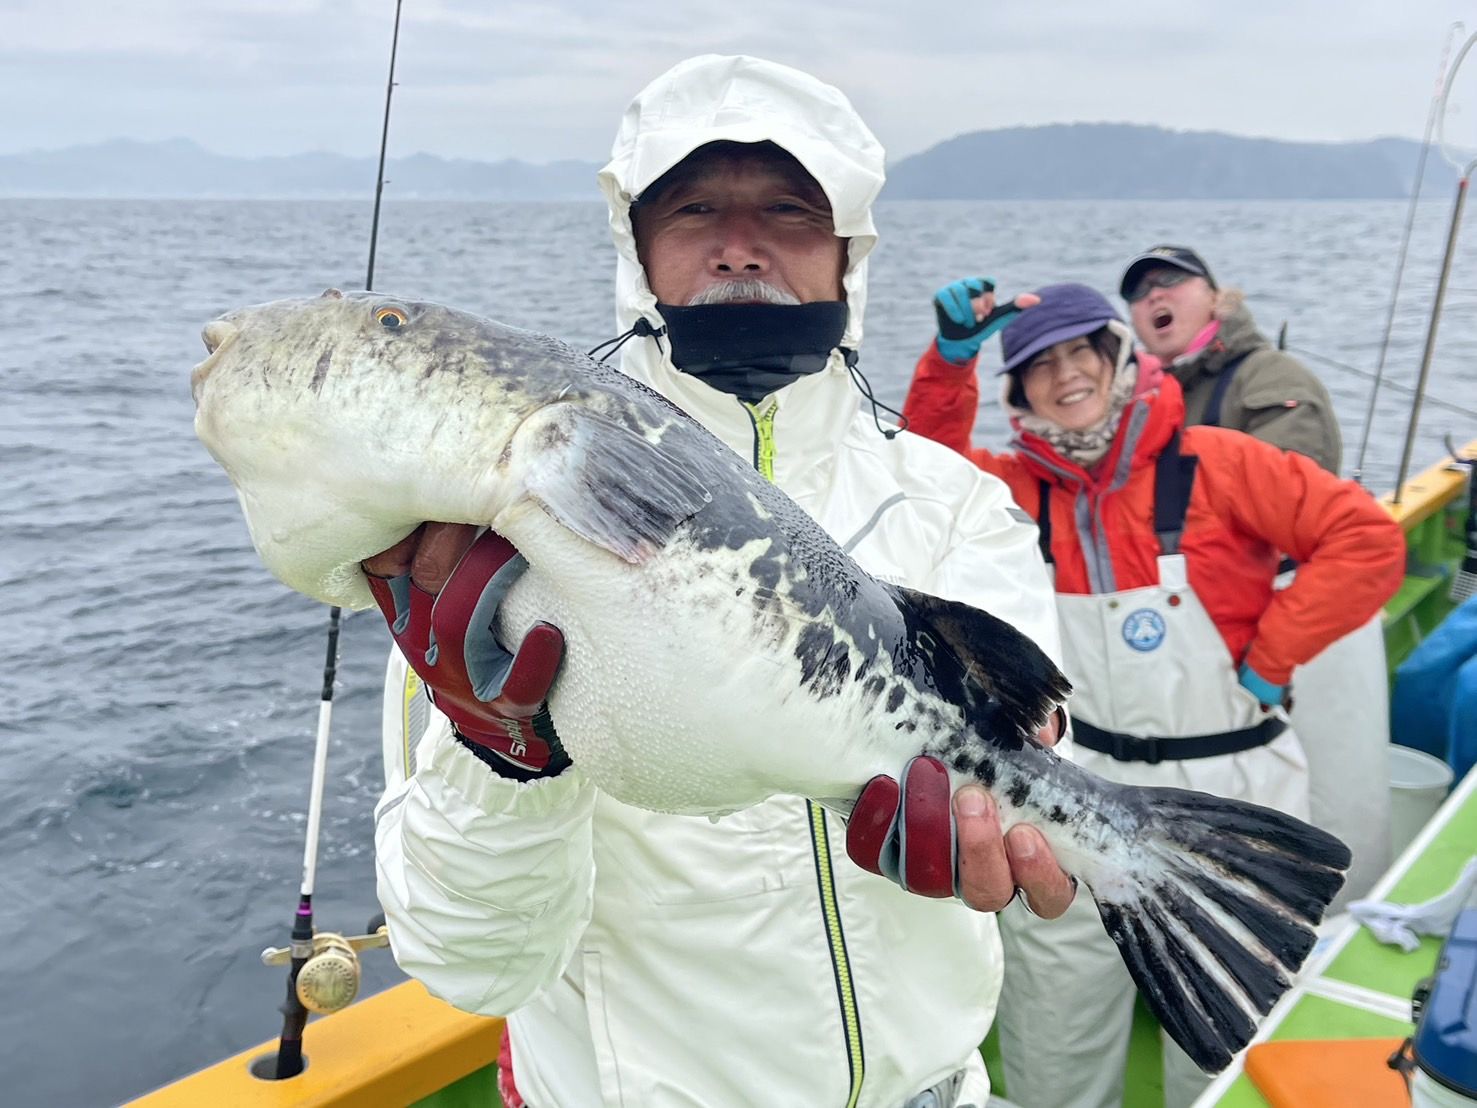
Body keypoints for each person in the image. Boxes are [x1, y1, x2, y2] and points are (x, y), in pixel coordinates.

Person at [366, 55, 1073, 1107]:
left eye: (787, 210)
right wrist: (495, 759)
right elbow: (471, 966)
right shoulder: (504, 536)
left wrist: (1020, 817)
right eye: (694, 208)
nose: (739, 245)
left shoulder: (954, 499)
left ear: (848, 251)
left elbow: (1036, 757)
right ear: (638, 249)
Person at [901, 281, 1406, 1108]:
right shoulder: (1013, 493)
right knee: (1055, 1024)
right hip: (1070, 784)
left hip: (1229, 786)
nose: (1066, 374)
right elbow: (919, 479)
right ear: (1016, 392)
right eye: (1039, 365)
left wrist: (1274, 654)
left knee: (1226, 1024)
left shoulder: (1218, 461)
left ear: (1116, 357)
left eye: (1081, 352)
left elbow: (1363, 538)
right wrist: (948, 365)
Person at [1118, 244, 1341, 473]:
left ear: (1214, 297)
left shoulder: (1274, 376)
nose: (1155, 295)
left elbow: (1290, 485)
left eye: (1171, 279)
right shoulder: (1122, 398)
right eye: (1139, 291)